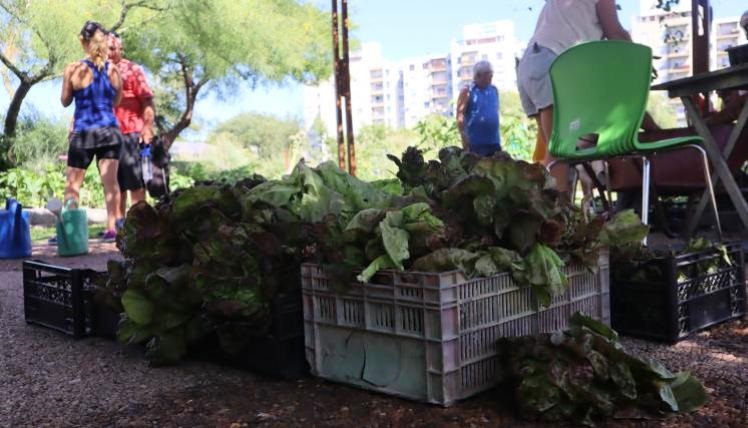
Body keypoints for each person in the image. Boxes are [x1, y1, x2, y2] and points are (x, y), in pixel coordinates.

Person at [517, 0, 660, 192]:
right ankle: (555, 218)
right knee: (559, 153)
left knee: (557, 152)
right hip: (551, 61)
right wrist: (640, 63)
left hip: (531, 64)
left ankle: (554, 213)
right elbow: (615, 32)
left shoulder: (572, 19)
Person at [60, 21, 123, 242]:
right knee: (111, 184)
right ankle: (113, 230)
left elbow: (65, 101)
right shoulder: (113, 69)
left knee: (73, 184)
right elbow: (116, 100)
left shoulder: (73, 69)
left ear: (83, 41)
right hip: (109, 131)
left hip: (84, 132)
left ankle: (70, 233)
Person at [108, 33, 156, 216]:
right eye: (107, 49)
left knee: (135, 182)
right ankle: (118, 227)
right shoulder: (99, 71)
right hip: (107, 136)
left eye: (113, 48)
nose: (110, 53)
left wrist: (147, 128)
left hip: (131, 134)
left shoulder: (132, 69)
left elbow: (147, 101)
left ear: (121, 49)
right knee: (114, 184)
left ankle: (140, 224)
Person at [456, 60, 501, 156]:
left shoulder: (494, 90)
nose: (491, 77)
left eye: (491, 74)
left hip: (494, 142)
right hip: (476, 144)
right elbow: (460, 115)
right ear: (478, 75)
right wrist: (464, 137)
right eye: (488, 74)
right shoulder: (467, 91)